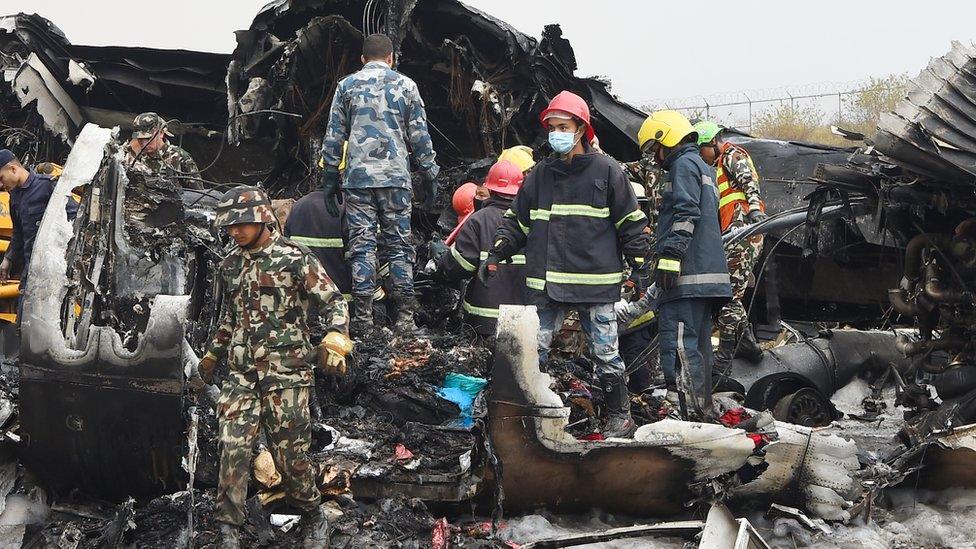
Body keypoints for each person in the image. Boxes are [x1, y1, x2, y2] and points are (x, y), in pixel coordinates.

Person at [480, 91, 650, 438]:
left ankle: (621, 417)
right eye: (552, 127)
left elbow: (631, 223)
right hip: (547, 284)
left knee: (605, 354)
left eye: (563, 126)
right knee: (534, 351)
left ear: (581, 129)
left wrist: (640, 268)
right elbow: (517, 222)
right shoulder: (541, 175)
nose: (555, 133)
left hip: (595, 283)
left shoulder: (607, 171)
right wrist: (497, 251)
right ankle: (530, 416)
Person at [198, 186, 351, 548]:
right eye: (230, 226)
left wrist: (335, 335)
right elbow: (228, 319)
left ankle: (312, 513)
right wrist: (212, 356)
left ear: (263, 218)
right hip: (242, 373)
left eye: (242, 225)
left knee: (290, 455)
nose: (235, 232)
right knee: (232, 447)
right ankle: (228, 529)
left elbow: (334, 302)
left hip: (287, 372)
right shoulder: (229, 265)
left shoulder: (294, 258)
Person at [320, 33, 439, 334]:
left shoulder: (346, 86)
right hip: (396, 180)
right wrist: (429, 172)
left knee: (362, 247)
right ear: (391, 58)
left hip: (358, 180)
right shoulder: (406, 86)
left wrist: (330, 174)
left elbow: (334, 134)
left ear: (362, 59)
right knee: (399, 247)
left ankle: (363, 319)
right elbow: (419, 135)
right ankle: (405, 320)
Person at [637, 111, 731, 421]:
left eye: (655, 148)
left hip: (687, 279)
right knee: (699, 349)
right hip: (707, 280)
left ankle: (689, 420)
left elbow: (685, 212)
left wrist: (670, 257)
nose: (656, 157)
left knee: (679, 349)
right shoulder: (703, 167)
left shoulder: (682, 166)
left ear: (667, 139)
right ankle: (702, 413)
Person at [694, 121, 766, 364]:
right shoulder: (713, 168)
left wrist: (755, 209)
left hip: (743, 231)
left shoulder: (732, 155)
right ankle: (747, 342)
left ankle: (726, 354)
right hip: (731, 234)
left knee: (728, 294)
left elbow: (749, 181)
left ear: (712, 143)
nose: (699, 155)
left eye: (700, 149)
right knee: (726, 292)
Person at [433, 160, 527, 336]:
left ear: (490, 190)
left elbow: (462, 266)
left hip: (483, 320)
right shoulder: (532, 219)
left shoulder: (479, 220)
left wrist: (443, 259)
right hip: (524, 317)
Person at [0, 151, 78, 298]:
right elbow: (18, 233)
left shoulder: (47, 186)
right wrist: (7, 259)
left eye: (1, 178)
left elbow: (75, 217)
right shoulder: (14, 198)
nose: (1, 185)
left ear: (13, 169)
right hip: (30, 271)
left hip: (52, 273)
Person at [124, 112, 201, 187]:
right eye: (140, 139)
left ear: (161, 133)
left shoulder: (180, 158)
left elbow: (200, 195)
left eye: (148, 138)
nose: (143, 143)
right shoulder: (136, 157)